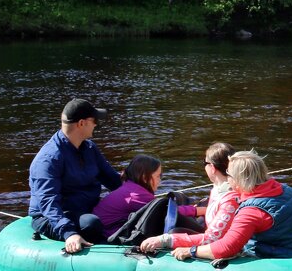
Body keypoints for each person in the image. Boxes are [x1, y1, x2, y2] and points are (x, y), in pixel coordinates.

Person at [150, 149, 292, 262]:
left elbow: (225, 248)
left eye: (229, 175)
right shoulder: (284, 189)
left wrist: (191, 251)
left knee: (249, 248)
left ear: (238, 180)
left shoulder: (252, 212)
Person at [27, 98, 122, 254]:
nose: (96, 124)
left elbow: (112, 180)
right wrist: (69, 233)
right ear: (81, 123)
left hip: (83, 207)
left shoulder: (90, 148)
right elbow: (48, 202)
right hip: (52, 216)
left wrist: (136, 188)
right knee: (91, 223)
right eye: (94, 120)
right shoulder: (49, 158)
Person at [139, 142, 241, 259]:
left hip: (218, 245)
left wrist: (164, 240)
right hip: (212, 234)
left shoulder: (230, 199)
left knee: (173, 233)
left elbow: (212, 239)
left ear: (212, 168)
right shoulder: (218, 188)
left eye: (205, 163)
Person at [92, 154, 200, 237]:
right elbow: (168, 213)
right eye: (158, 176)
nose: (160, 180)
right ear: (144, 178)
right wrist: (199, 211)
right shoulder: (136, 195)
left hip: (106, 227)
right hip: (107, 234)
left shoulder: (130, 186)